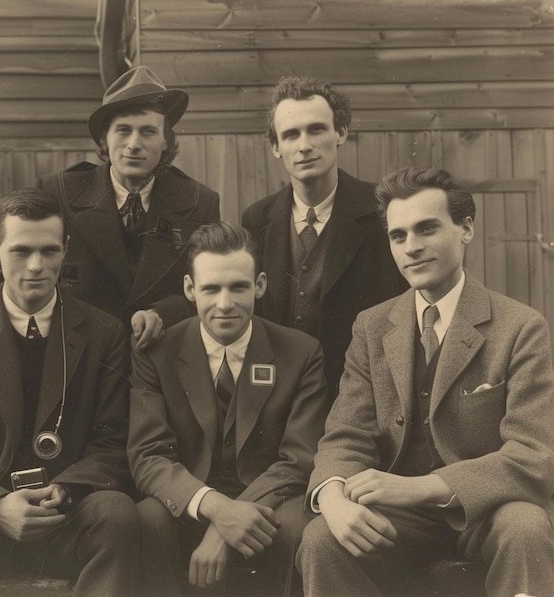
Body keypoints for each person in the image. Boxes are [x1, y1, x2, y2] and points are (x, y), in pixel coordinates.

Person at [297, 167, 554, 597]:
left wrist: (421, 488)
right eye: (398, 236)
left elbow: (533, 456)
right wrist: (333, 499)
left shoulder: (521, 328)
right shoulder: (372, 326)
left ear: (466, 229)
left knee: (525, 526)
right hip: (400, 522)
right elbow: (345, 437)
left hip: (487, 512)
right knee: (322, 538)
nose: (412, 248)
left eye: (427, 229)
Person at [0, 188, 144, 596]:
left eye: (49, 251)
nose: (36, 267)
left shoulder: (103, 334)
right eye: (21, 250)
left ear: (65, 250)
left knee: (117, 515)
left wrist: (65, 491)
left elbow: (114, 438)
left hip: (65, 518)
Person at [128, 221, 331, 596]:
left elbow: (300, 458)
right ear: (190, 289)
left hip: (266, 501)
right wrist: (217, 509)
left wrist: (225, 527)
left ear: (260, 285)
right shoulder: (157, 353)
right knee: (146, 518)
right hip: (190, 501)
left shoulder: (300, 352)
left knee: (296, 525)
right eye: (211, 288)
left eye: (239, 287)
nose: (225, 304)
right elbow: (147, 455)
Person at [0, 65, 220, 349]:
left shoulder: (198, 202)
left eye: (148, 132)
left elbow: (214, 288)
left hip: (160, 355)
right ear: (104, 138)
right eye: (123, 131)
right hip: (74, 358)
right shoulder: (58, 193)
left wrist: (162, 314)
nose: (134, 144)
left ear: (166, 140)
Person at [242, 76, 405, 398]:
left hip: (363, 392)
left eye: (316, 129)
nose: (304, 145)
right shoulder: (257, 219)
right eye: (291, 135)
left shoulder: (382, 211)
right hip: (281, 398)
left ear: (340, 133)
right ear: (276, 147)